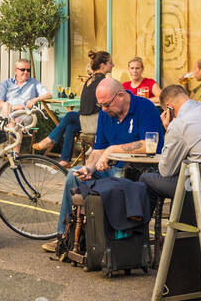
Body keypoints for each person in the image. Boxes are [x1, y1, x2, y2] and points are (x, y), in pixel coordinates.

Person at [48, 76, 165, 248]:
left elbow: (150, 144)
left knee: (115, 180)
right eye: (100, 105)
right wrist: (89, 168)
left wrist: (113, 150)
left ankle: (112, 240)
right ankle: (64, 237)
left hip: (137, 173)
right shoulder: (105, 114)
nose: (103, 109)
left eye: (106, 104)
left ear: (120, 95)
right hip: (112, 171)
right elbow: (99, 148)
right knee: (74, 176)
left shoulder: (145, 107)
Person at [36, 50, 111, 166]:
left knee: (70, 116)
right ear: (102, 66)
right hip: (93, 123)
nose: (113, 65)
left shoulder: (89, 81)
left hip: (94, 123)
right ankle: (65, 159)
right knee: (71, 126)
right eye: (110, 63)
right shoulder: (105, 82)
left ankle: (51, 140)